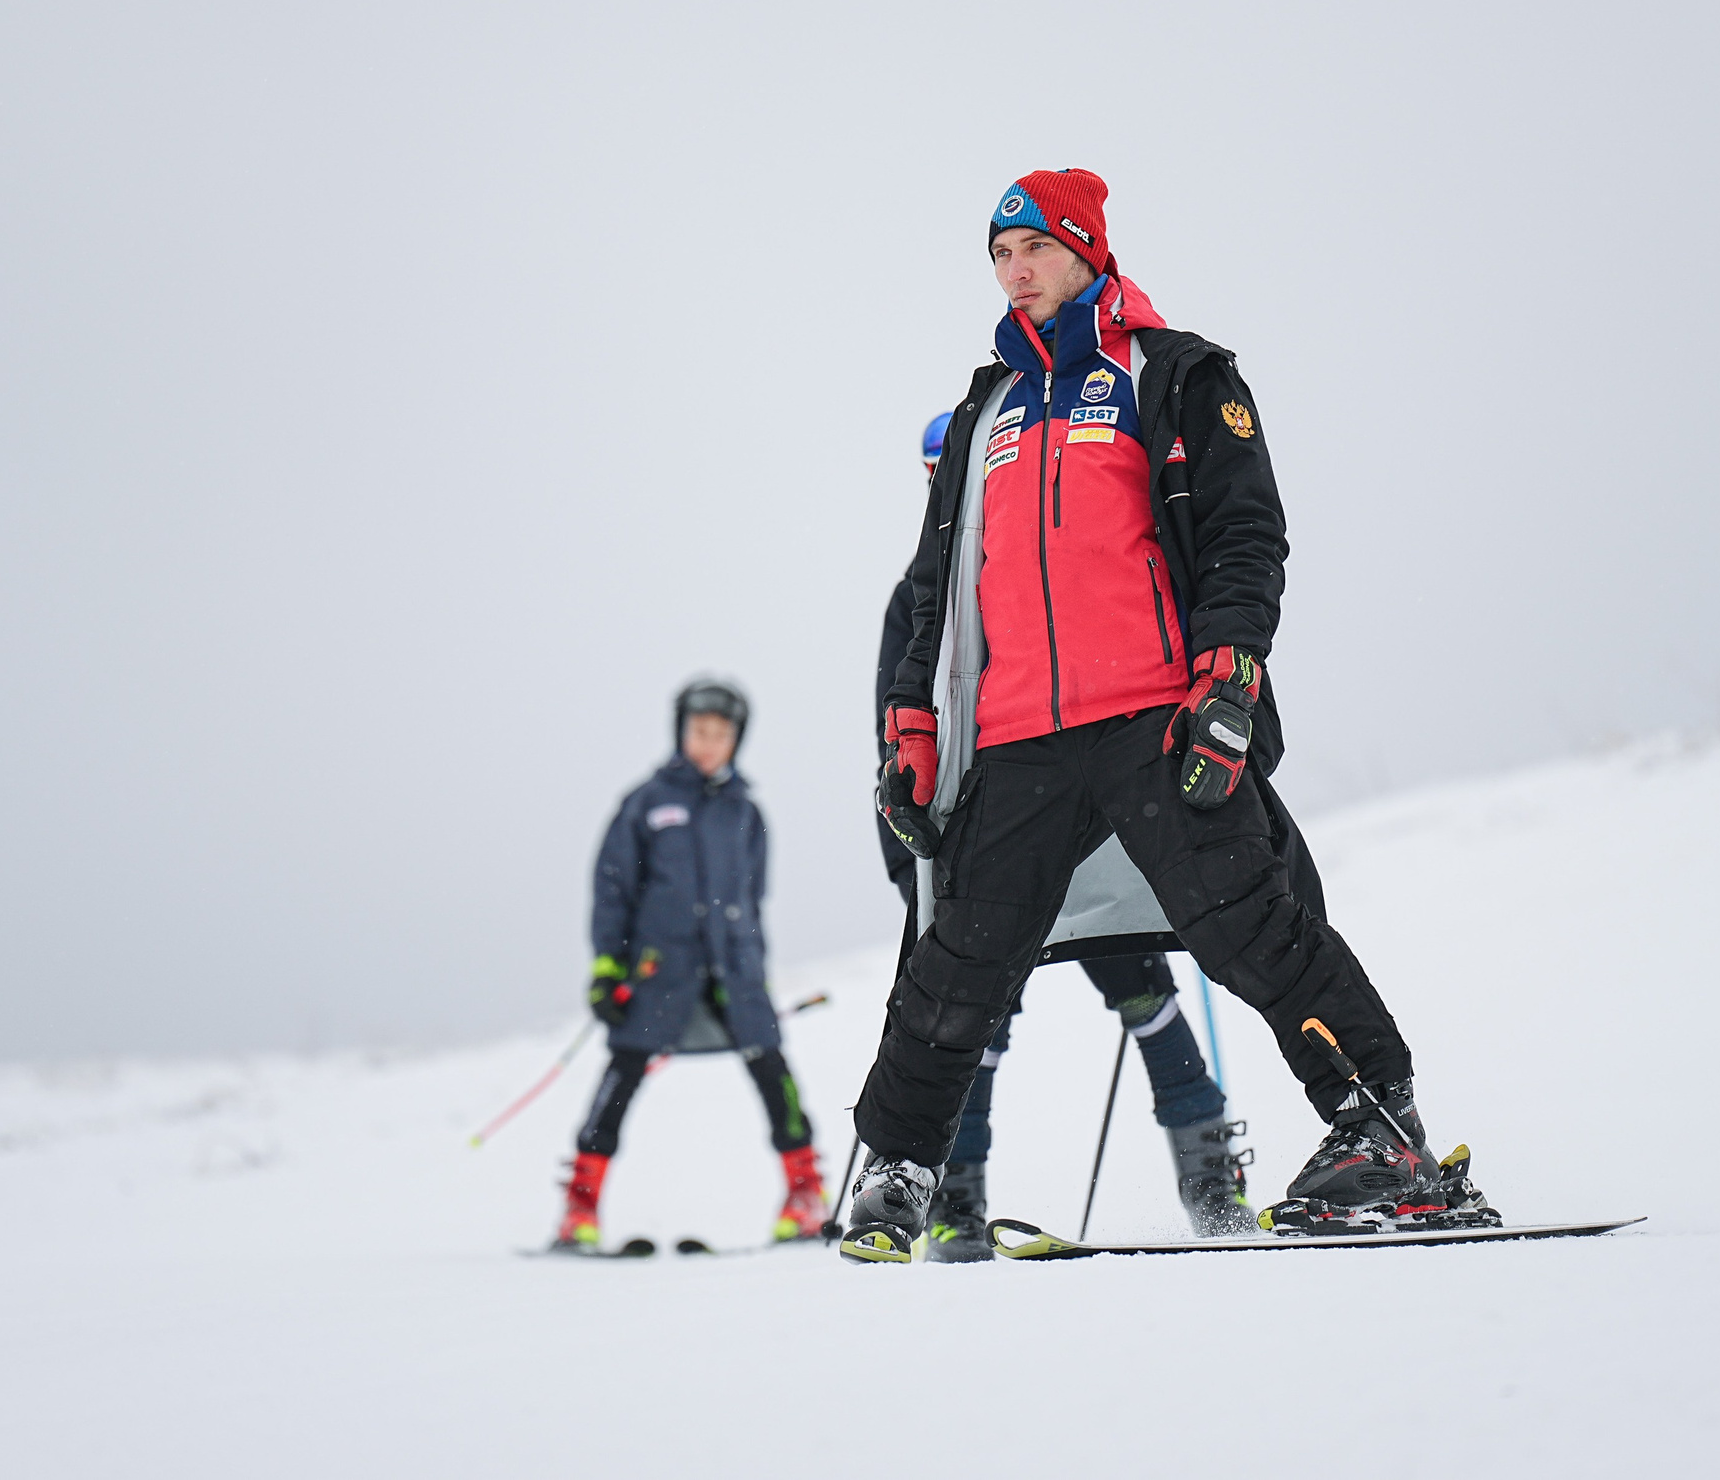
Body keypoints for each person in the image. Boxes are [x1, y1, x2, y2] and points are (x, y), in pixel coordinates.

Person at [844, 169, 1489, 1263]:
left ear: (1085, 249)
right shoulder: (984, 410)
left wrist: (1227, 680)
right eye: (1000, 259)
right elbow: (935, 588)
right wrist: (913, 730)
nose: (1016, 273)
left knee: (1250, 923)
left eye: (1034, 250)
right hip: (1017, 736)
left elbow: (1244, 536)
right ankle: (902, 1168)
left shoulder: (1174, 371)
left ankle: (1381, 1130)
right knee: (959, 955)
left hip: (1154, 712)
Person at [876, 412, 1254, 1260]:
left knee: (1145, 994)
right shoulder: (923, 596)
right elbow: (894, 734)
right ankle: (954, 1202)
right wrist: (914, 865)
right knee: (978, 1015)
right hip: (986, 842)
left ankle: (1212, 1185)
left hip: (1097, 830)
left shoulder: (1046, 556)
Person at [555, 678, 829, 1251]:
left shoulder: (745, 814)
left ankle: (805, 1196)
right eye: (699, 731)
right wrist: (609, 969)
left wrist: (754, 968)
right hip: (660, 972)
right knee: (623, 1075)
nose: (709, 743)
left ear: (737, 741)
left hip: (734, 973)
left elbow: (754, 902)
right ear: (681, 732)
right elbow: (613, 891)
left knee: (774, 1075)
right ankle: (579, 1207)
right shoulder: (647, 804)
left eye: (721, 734)